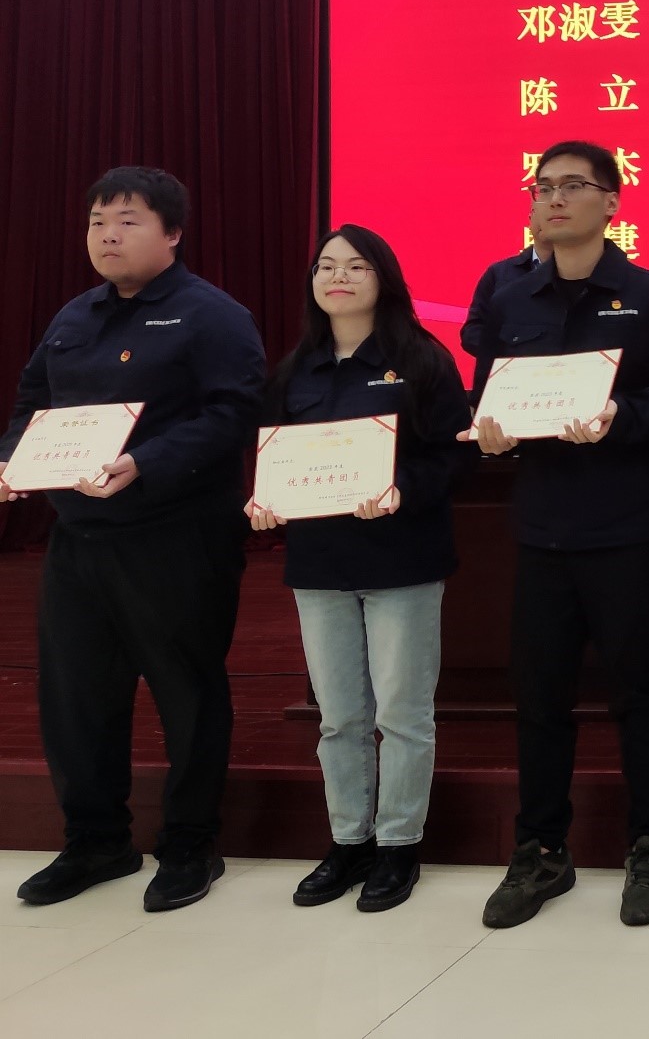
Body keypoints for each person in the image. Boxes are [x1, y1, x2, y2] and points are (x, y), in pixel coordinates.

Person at [1, 167, 264, 912]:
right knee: (76, 696)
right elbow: (31, 403)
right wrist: (12, 461)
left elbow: (234, 411)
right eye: (97, 222)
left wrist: (146, 462)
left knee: (187, 693)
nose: (107, 235)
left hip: (175, 536)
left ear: (172, 233)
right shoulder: (74, 315)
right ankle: (96, 840)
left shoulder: (211, 315)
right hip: (79, 538)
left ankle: (190, 844)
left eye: (127, 220)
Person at [468, 141, 649, 930]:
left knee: (639, 691)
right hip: (541, 528)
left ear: (612, 202)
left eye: (573, 185)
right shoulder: (511, 299)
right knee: (539, 698)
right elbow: (488, 398)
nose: (554, 198)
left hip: (625, 527)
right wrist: (491, 433)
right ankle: (541, 849)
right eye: (543, 185)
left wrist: (621, 416)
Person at [250, 225, 471, 912]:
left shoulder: (421, 360)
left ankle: (399, 844)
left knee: (402, 714)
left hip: (403, 561)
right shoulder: (294, 370)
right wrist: (262, 498)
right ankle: (349, 841)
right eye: (326, 266)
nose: (337, 276)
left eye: (355, 266)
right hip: (320, 566)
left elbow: (455, 454)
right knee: (340, 718)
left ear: (384, 278)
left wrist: (402, 487)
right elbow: (271, 456)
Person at [462, 202, 550, 359]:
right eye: (542, 211)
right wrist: (512, 353)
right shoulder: (499, 273)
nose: (549, 218)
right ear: (530, 219)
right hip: (511, 371)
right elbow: (472, 332)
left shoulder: (587, 271)